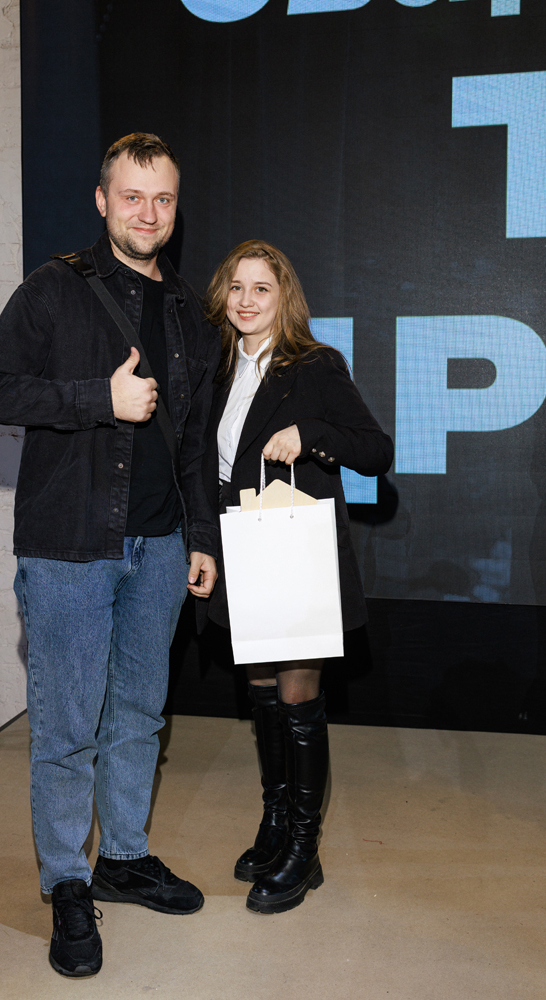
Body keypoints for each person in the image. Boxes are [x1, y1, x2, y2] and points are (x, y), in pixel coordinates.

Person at [0, 133, 220, 978]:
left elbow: (193, 443)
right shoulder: (53, 288)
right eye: (132, 196)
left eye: (163, 199)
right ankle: (68, 884)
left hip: (160, 548)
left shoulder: (188, 311)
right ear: (103, 200)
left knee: (139, 716)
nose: (148, 213)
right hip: (68, 546)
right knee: (67, 728)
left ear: (174, 209)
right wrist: (97, 399)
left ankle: (124, 857)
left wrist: (199, 537)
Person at [197, 240, 393, 915]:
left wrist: (309, 433)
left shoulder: (313, 364)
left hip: (292, 553)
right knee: (258, 693)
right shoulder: (216, 367)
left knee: (295, 694)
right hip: (239, 547)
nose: (246, 300)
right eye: (236, 287)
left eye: (262, 288)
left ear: (285, 298)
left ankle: (304, 850)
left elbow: (375, 450)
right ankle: (276, 822)